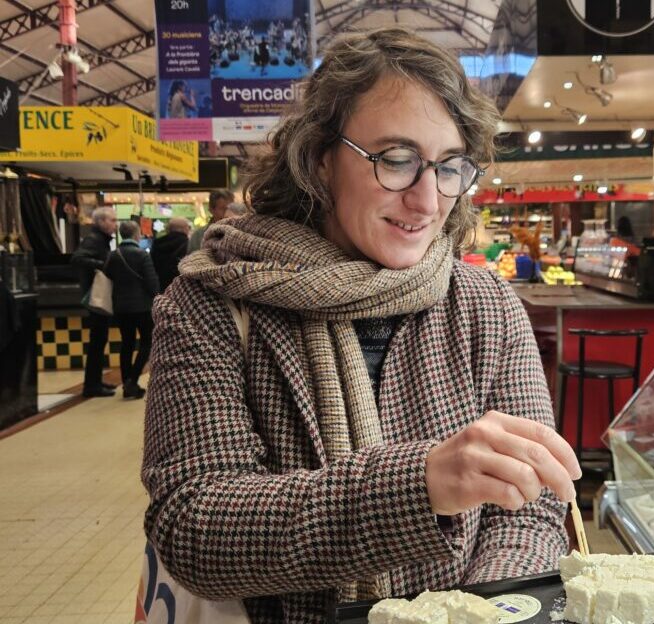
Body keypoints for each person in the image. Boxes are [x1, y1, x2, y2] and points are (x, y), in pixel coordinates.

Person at [142, 27, 580, 622]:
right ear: (320, 159)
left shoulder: (486, 307)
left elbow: (530, 511)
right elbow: (194, 528)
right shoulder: (209, 303)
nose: (428, 200)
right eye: (396, 160)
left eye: (450, 167)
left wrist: (477, 613)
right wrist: (417, 487)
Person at [103, 220, 159, 399]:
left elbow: (107, 276)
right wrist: (157, 297)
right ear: (136, 234)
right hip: (142, 307)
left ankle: (127, 382)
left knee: (126, 343)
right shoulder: (142, 255)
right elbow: (151, 282)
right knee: (147, 342)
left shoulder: (113, 255)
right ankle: (132, 380)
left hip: (121, 307)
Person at [71, 206, 118, 398]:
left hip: (97, 297)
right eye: (112, 220)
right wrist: (103, 266)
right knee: (97, 342)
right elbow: (78, 258)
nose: (115, 224)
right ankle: (92, 385)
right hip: (96, 297)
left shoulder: (100, 240)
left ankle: (95, 381)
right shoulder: (94, 240)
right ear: (101, 222)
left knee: (99, 341)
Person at [151, 217, 191, 293]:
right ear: (185, 229)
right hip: (183, 289)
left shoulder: (157, 244)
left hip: (162, 288)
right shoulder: (188, 244)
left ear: (168, 229)